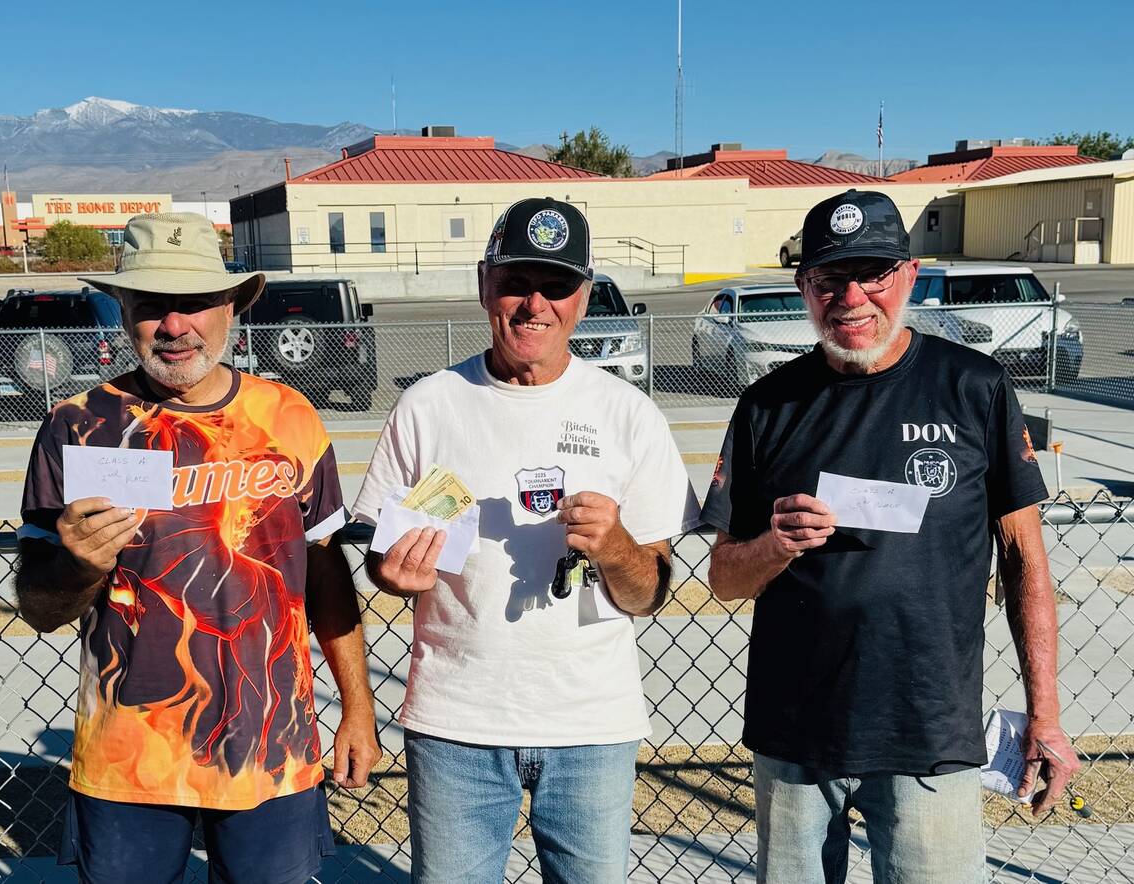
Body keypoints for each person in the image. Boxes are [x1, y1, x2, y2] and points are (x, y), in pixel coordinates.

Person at [702, 190, 1081, 883]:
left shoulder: (973, 386)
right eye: (828, 279)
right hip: (795, 737)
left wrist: (1045, 717)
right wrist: (775, 544)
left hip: (929, 729)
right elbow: (723, 576)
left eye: (873, 274)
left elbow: (1025, 558)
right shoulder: (767, 404)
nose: (852, 297)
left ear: (909, 275)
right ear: (803, 288)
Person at [14, 212, 381, 883]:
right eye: (153, 305)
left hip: (272, 750)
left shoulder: (291, 416)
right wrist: (77, 564)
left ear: (233, 307)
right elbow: (40, 607)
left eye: (195, 304)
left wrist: (357, 708)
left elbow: (327, 577)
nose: (174, 326)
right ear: (122, 309)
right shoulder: (75, 426)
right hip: (130, 761)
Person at [352, 197, 700, 883]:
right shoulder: (429, 404)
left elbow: (650, 592)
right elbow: (378, 556)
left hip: (591, 724)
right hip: (455, 723)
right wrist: (396, 575)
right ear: (485, 284)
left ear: (585, 294)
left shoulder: (628, 414)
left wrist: (619, 548)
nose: (534, 303)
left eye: (558, 285)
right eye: (516, 281)